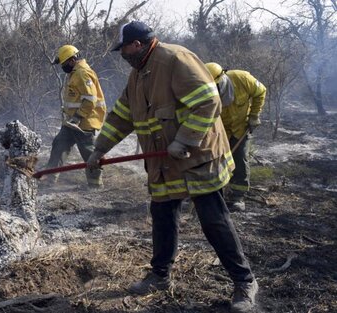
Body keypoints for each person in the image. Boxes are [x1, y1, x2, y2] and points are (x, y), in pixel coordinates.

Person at [87, 21, 258, 313]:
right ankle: (160, 275)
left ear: (138, 44)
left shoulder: (176, 59)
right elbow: (121, 117)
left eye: (124, 48)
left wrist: (185, 139)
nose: (122, 54)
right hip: (163, 162)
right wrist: (99, 149)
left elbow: (208, 101)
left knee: (213, 219)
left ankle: (245, 281)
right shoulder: (138, 75)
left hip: (198, 157)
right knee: (163, 214)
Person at [205, 63, 267, 212]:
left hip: (241, 127)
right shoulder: (204, 91)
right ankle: (215, 192)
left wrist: (254, 116)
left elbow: (261, 92)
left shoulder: (242, 78)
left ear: (222, 77)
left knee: (240, 158)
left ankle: (237, 196)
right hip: (220, 131)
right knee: (216, 159)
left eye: (217, 86)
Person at [45, 45, 106, 187]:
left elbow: (91, 99)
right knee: (59, 145)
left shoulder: (82, 73)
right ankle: (48, 180)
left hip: (84, 122)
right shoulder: (75, 72)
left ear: (72, 60)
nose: (63, 67)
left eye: (64, 63)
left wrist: (78, 117)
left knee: (89, 154)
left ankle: (95, 185)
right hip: (72, 123)